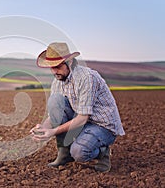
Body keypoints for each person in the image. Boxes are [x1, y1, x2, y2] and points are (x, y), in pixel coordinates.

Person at [30, 42, 125, 172]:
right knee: (55, 100)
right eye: (51, 68)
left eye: (57, 67)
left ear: (69, 62)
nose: (54, 71)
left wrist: (53, 131)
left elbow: (82, 118)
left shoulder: (87, 78)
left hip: (102, 126)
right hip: (81, 121)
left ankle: (103, 152)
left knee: (79, 153)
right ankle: (64, 154)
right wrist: (43, 129)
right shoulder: (58, 80)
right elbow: (55, 114)